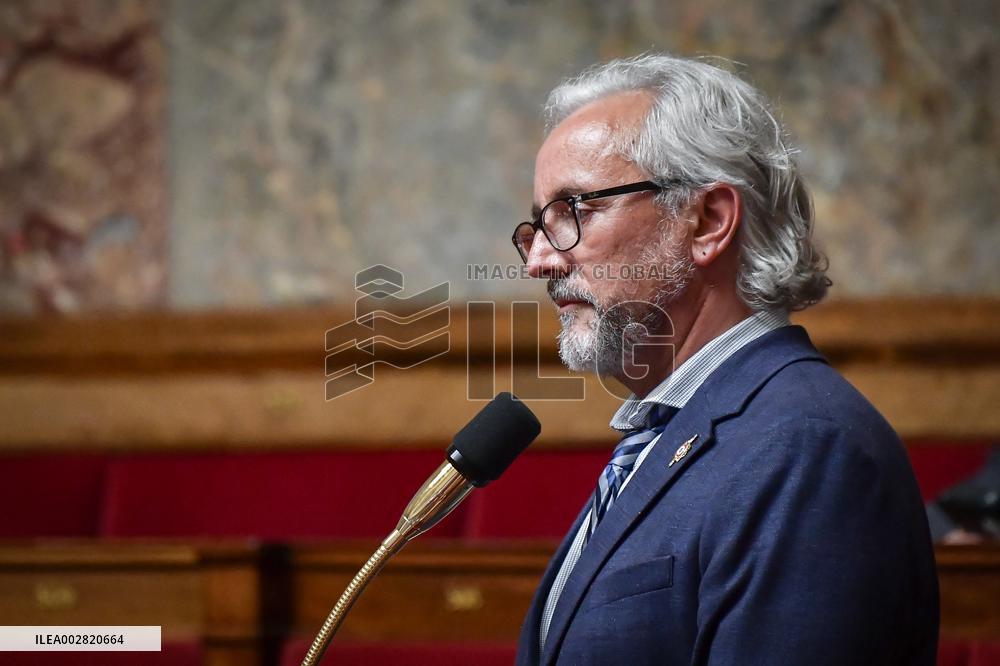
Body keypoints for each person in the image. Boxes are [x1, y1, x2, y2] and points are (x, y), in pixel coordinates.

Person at [512, 54, 938, 666]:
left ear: (708, 221)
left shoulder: (808, 449)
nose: (540, 263)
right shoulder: (672, 432)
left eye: (575, 210)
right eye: (537, 226)